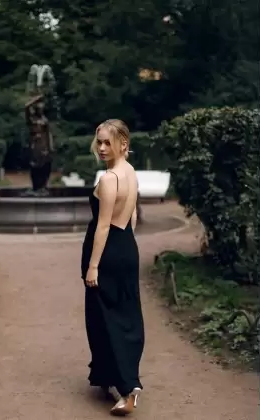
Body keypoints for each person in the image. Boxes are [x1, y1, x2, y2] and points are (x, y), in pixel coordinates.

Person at [81, 119, 145, 416]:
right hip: (127, 248)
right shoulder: (130, 171)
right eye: (100, 142)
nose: (102, 148)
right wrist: (126, 248)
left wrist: (93, 266)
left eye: (108, 142)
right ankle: (107, 377)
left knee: (105, 320)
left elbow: (103, 226)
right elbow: (132, 218)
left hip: (106, 254)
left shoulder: (109, 179)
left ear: (123, 143)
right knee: (126, 315)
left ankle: (128, 388)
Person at [24, 93, 54, 195]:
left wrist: (50, 147)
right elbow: (26, 106)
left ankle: (43, 186)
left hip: (43, 145)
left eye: (42, 109)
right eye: (39, 109)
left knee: (45, 165)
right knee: (34, 165)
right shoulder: (32, 119)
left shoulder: (45, 120)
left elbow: (48, 134)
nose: (41, 110)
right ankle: (35, 187)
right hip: (34, 144)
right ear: (36, 109)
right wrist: (36, 99)